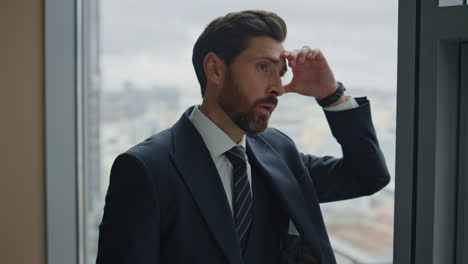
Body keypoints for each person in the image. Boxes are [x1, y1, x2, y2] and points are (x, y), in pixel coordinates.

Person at [96, 9, 391, 264]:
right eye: (263, 67)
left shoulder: (279, 150)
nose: (277, 87)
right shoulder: (146, 169)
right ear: (214, 69)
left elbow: (366, 176)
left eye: (281, 72)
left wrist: (331, 95)